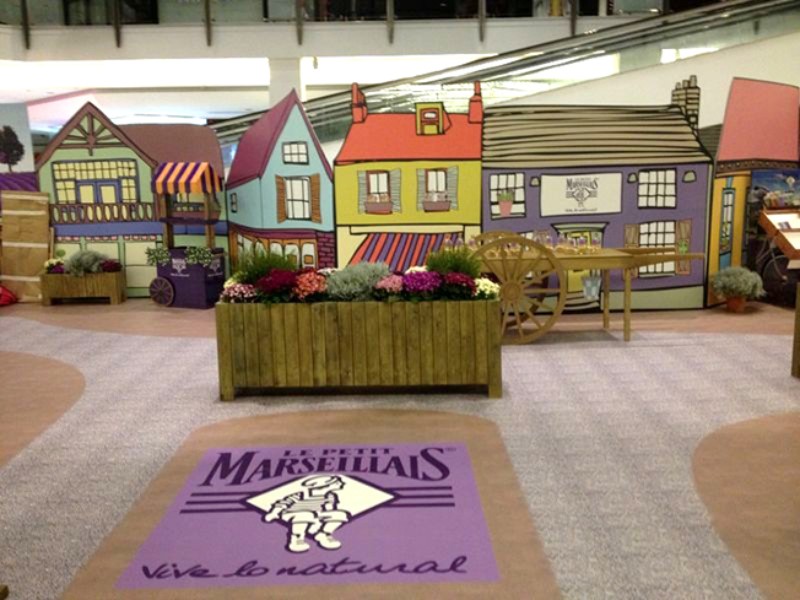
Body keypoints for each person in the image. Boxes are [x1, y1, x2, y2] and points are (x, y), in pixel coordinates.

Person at [263, 475, 350, 553]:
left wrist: (324, 519)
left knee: (341, 514)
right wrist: (273, 513)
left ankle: (323, 534)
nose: (342, 483)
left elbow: (329, 509)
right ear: (325, 485)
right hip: (292, 514)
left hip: (316, 515)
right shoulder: (302, 494)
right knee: (306, 515)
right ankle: (297, 538)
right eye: (337, 482)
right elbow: (283, 503)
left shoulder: (330, 496)